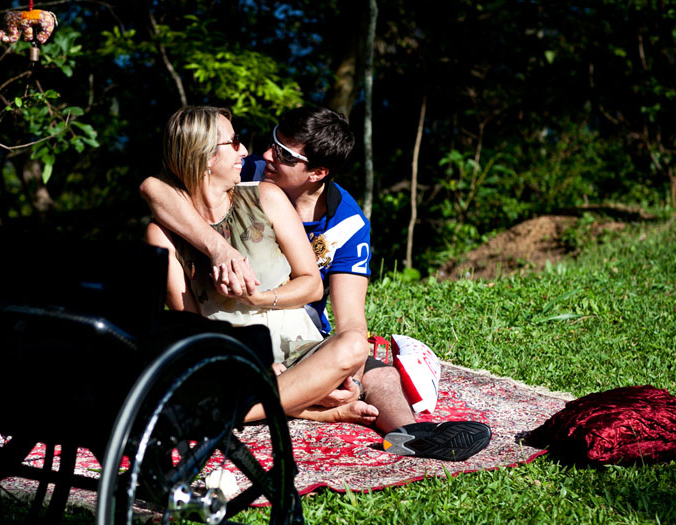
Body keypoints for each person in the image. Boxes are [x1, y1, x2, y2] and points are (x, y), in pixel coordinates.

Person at [142, 105, 491, 460]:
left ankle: (411, 435)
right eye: (271, 142)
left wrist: (346, 375)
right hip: (237, 353)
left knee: (365, 360)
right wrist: (218, 250)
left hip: (302, 338)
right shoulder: (251, 173)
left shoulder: (344, 224)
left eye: (284, 154)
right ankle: (299, 404)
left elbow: (346, 316)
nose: (263, 154)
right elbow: (155, 187)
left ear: (317, 172)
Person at [145, 105, 325, 367]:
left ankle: (295, 388)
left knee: (351, 347)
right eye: (235, 142)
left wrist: (260, 299)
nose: (245, 152)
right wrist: (250, 362)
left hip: (302, 349)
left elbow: (313, 285)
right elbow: (191, 324)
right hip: (232, 358)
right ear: (205, 155)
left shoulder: (266, 197)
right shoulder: (162, 235)